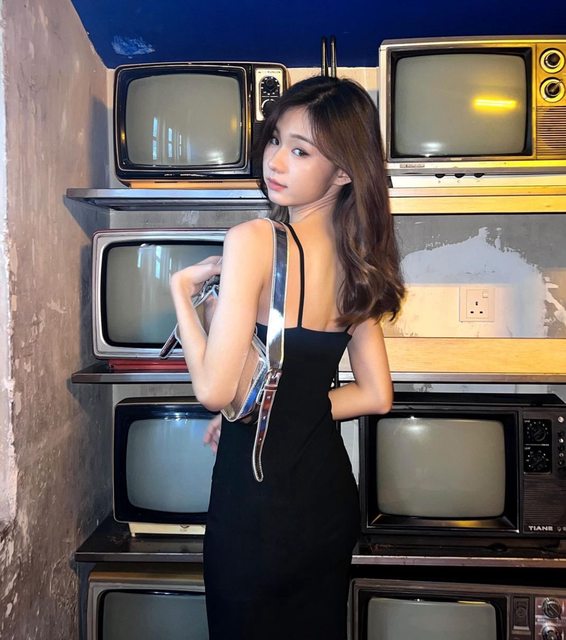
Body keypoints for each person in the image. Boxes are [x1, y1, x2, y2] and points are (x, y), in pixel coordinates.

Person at [169, 74, 405, 640]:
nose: (275, 160)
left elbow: (213, 391)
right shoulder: (359, 262)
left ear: (343, 171)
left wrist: (179, 291)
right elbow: (376, 395)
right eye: (276, 140)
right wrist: (278, 408)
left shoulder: (254, 239)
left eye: (301, 151)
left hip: (256, 511)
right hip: (327, 505)